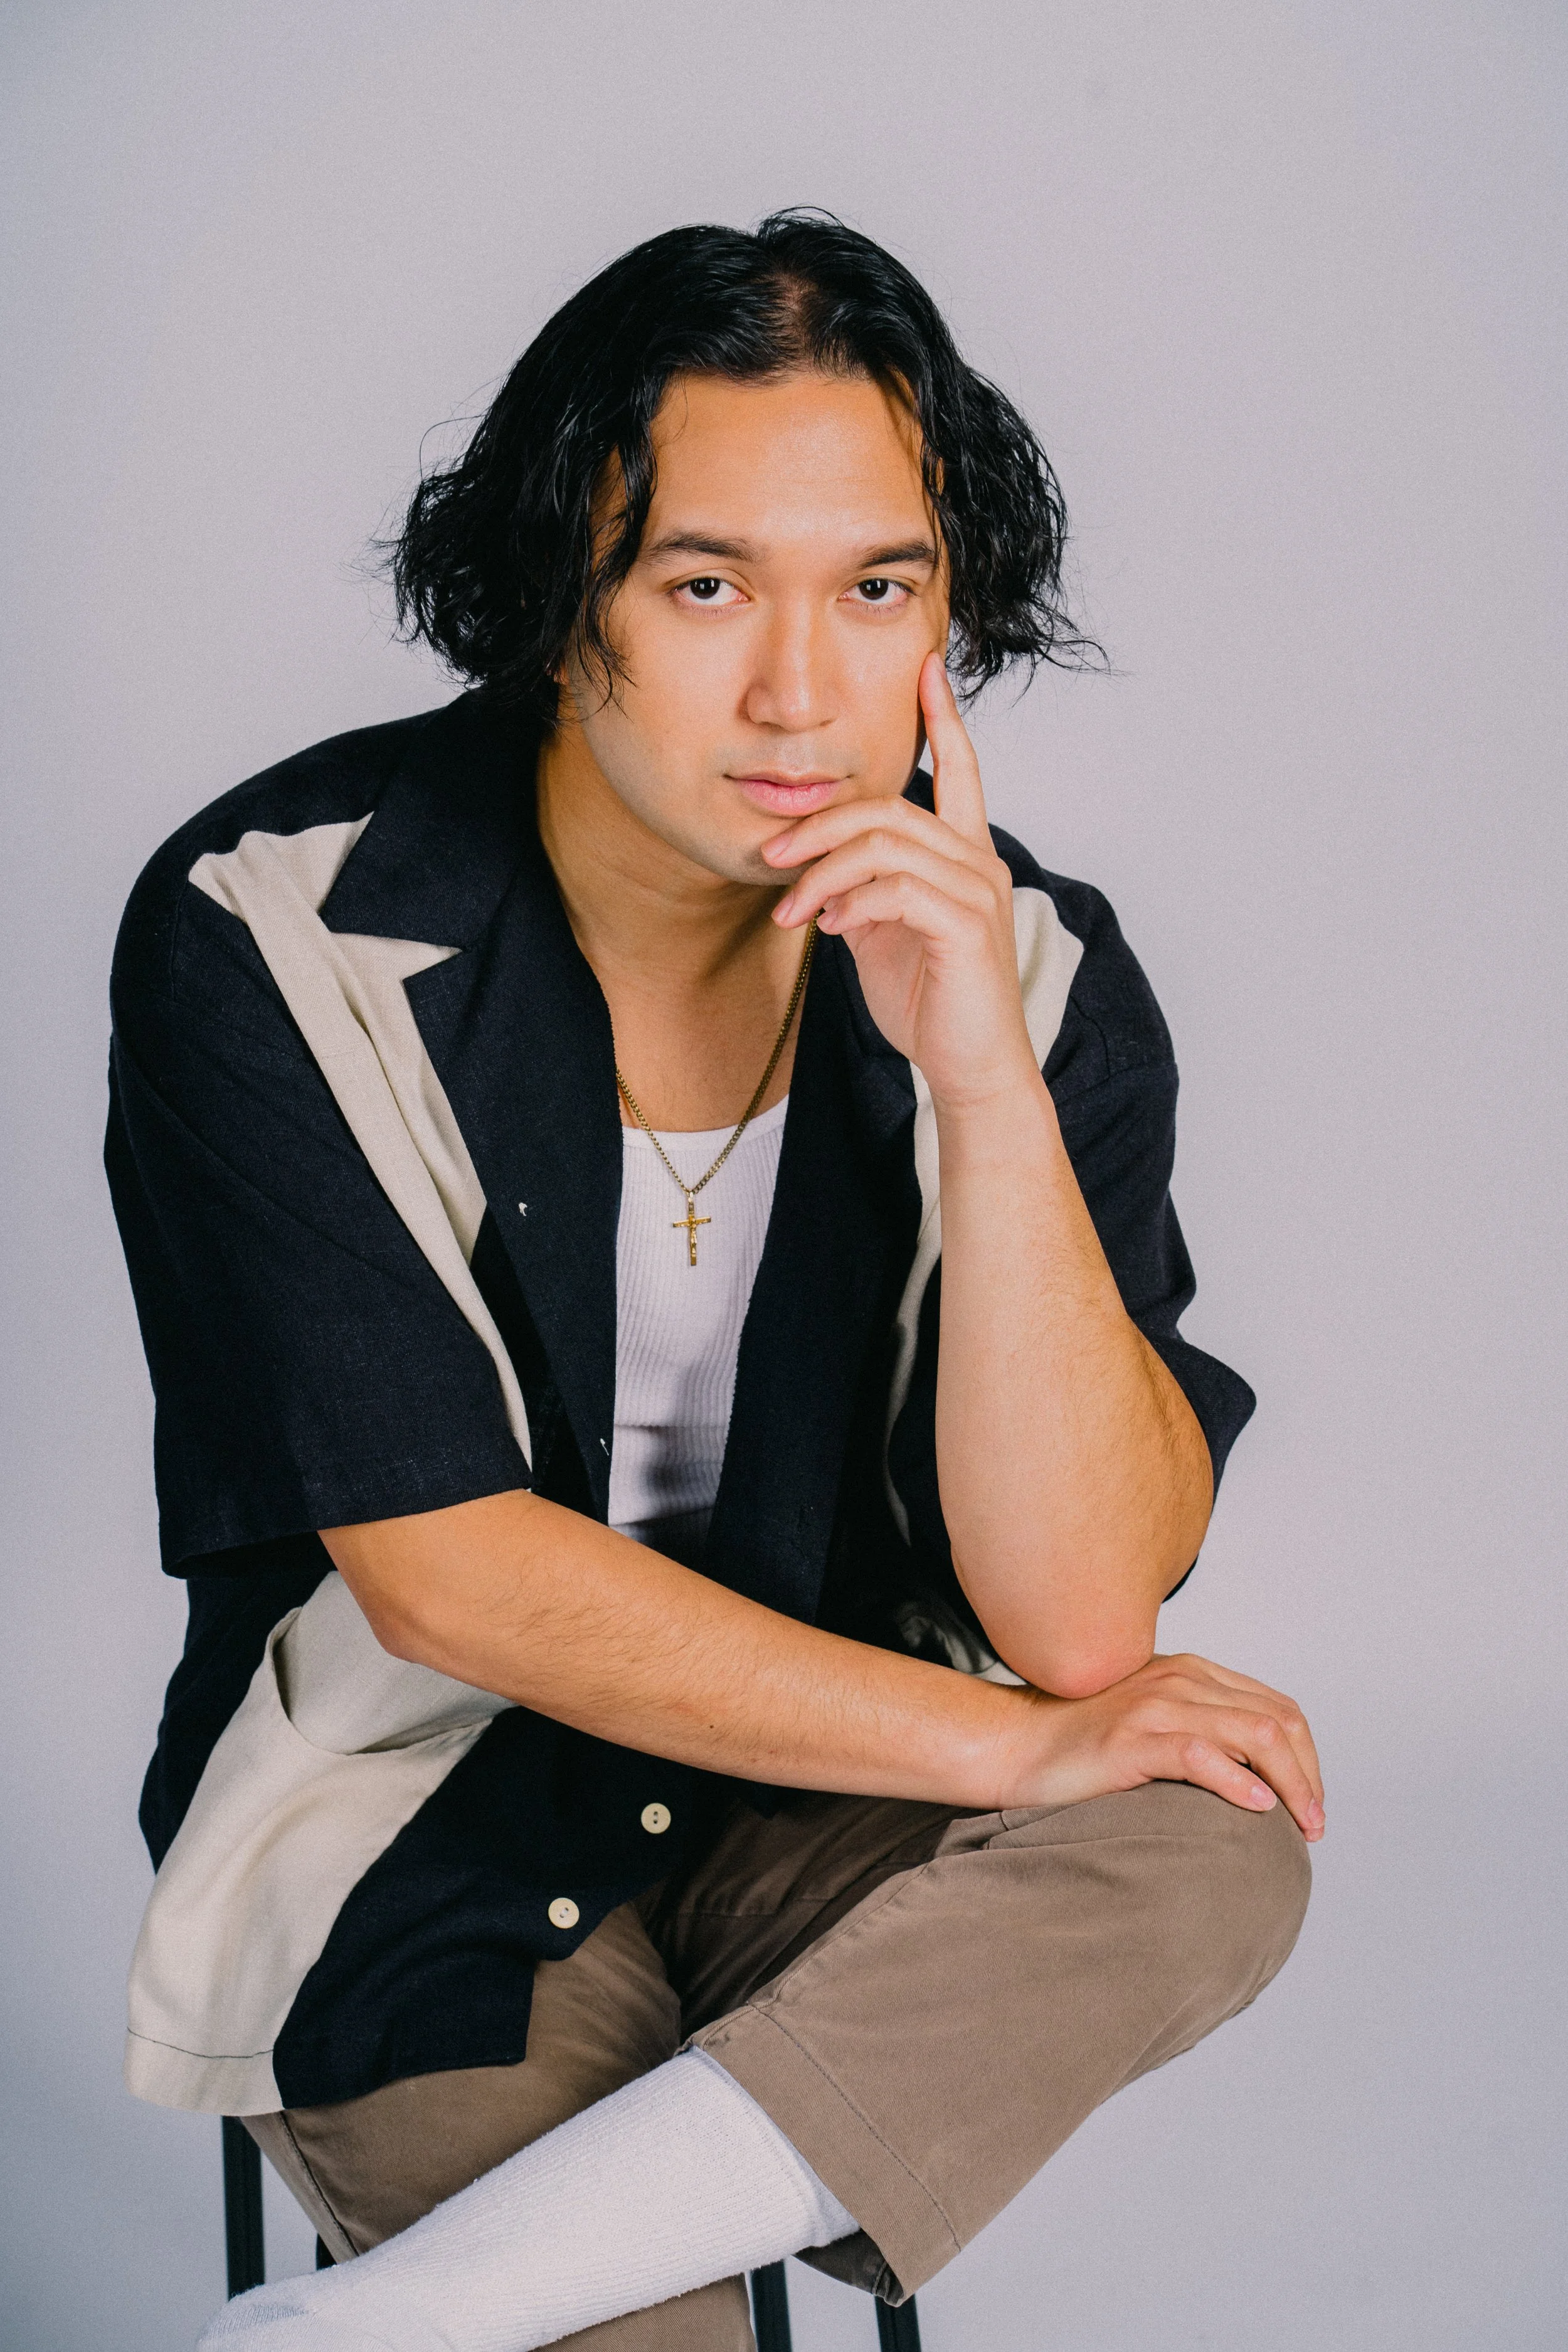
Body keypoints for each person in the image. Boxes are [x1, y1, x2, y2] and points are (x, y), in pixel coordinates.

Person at [107, 213, 1320, 2351]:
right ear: (557, 602)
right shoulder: (269, 925)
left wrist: (975, 1076)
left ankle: (349, 2336)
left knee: (1209, 1834)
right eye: (702, 584)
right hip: (426, 1816)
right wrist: (1016, 1755)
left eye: (877, 590)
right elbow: (451, 1577)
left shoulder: (1029, 971)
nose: (798, 691)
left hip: (833, 1786)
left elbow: (1078, 1621)